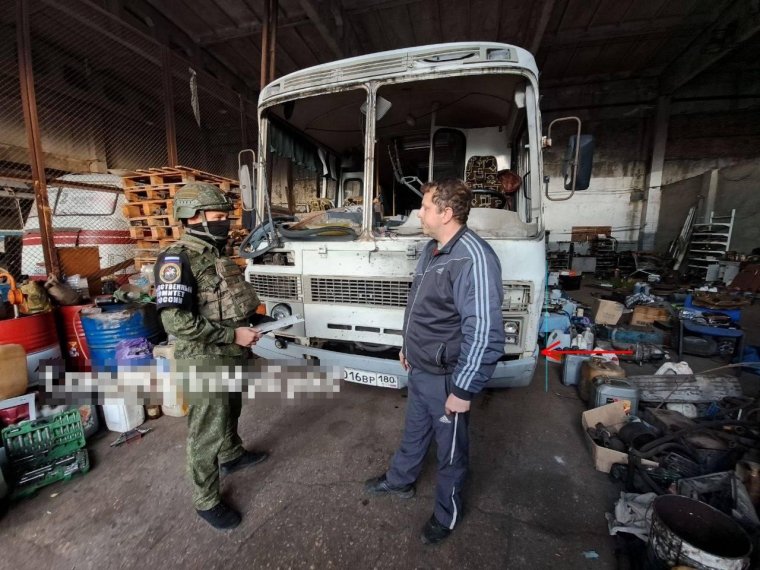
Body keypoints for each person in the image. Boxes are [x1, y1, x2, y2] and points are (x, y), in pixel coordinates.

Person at [364, 178, 505, 545]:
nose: (419, 213)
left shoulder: (473, 257)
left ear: (446, 212)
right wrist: (407, 348)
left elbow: (486, 332)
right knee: (413, 433)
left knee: (451, 453)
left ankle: (447, 514)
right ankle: (400, 481)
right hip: (422, 369)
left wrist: (463, 388)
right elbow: (421, 309)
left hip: (448, 378)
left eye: (425, 207)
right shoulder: (433, 249)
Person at [155, 182, 269, 531]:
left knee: (231, 408)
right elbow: (175, 320)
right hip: (204, 358)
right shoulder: (176, 259)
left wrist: (253, 321)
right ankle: (206, 501)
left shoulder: (215, 255)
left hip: (231, 352)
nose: (225, 224)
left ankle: (232, 454)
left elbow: (226, 302)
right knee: (207, 430)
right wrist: (231, 333)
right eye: (218, 217)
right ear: (193, 217)